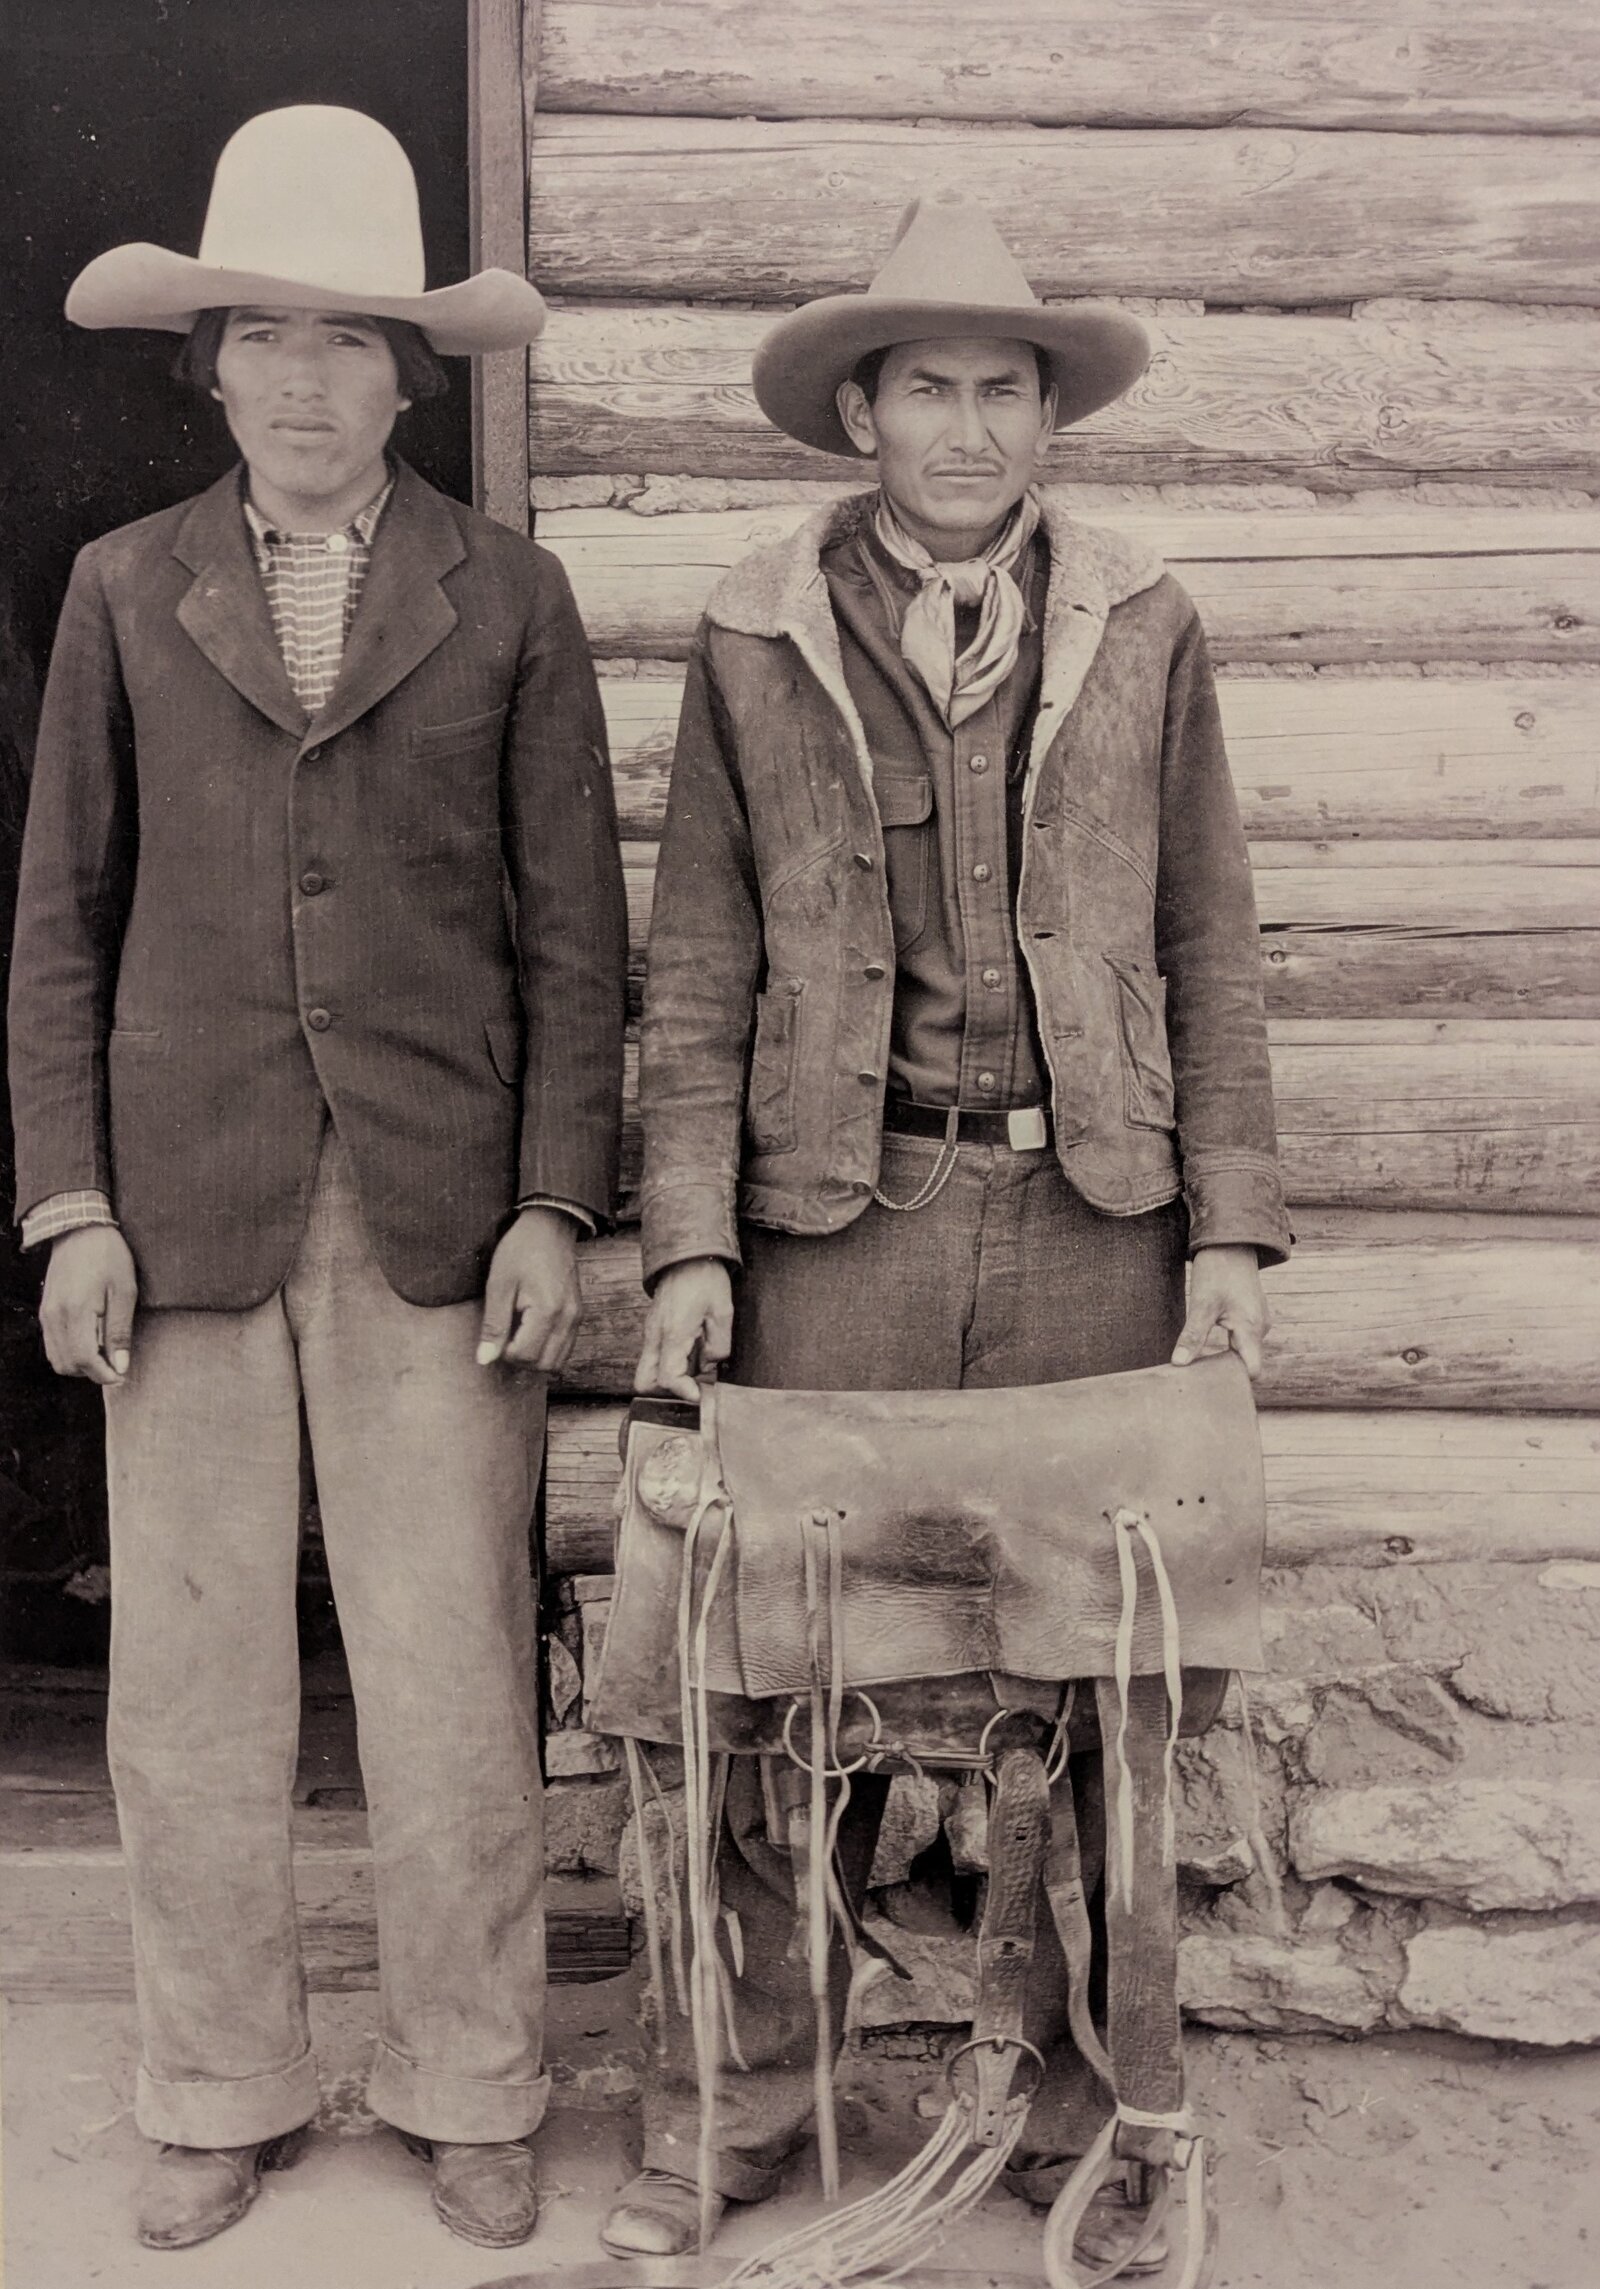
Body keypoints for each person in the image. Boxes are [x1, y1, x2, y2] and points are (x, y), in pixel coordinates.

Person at [610, 192, 1291, 2269]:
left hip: (1094, 1210)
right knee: (773, 1675)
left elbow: (1205, 933)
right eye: (929, 388)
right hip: (839, 1213)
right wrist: (694, 1244)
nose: (970, 426)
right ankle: (739, 2099)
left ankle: (1091, 2117)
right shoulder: (751, 632)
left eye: (1006, 389)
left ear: (1045, 417)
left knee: (1091, 1691)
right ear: (859, 410)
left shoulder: (1143, 622)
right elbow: (701, 959)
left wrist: (1229, 1232)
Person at [7, 105, 627, 2253]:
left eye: (344, 341)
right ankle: (221, 2080)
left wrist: (555, 1199)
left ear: (409, 374)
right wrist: (68, 1203)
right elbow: (60, 924)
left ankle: (470, 2077)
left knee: (450, 1663)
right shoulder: (122, 587)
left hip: (438, 1208)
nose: (297, 378)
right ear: (208, 366)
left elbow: (577, 939)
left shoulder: (505, 595)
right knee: (187, 1682)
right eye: (258, 336)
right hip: (183, 1211)